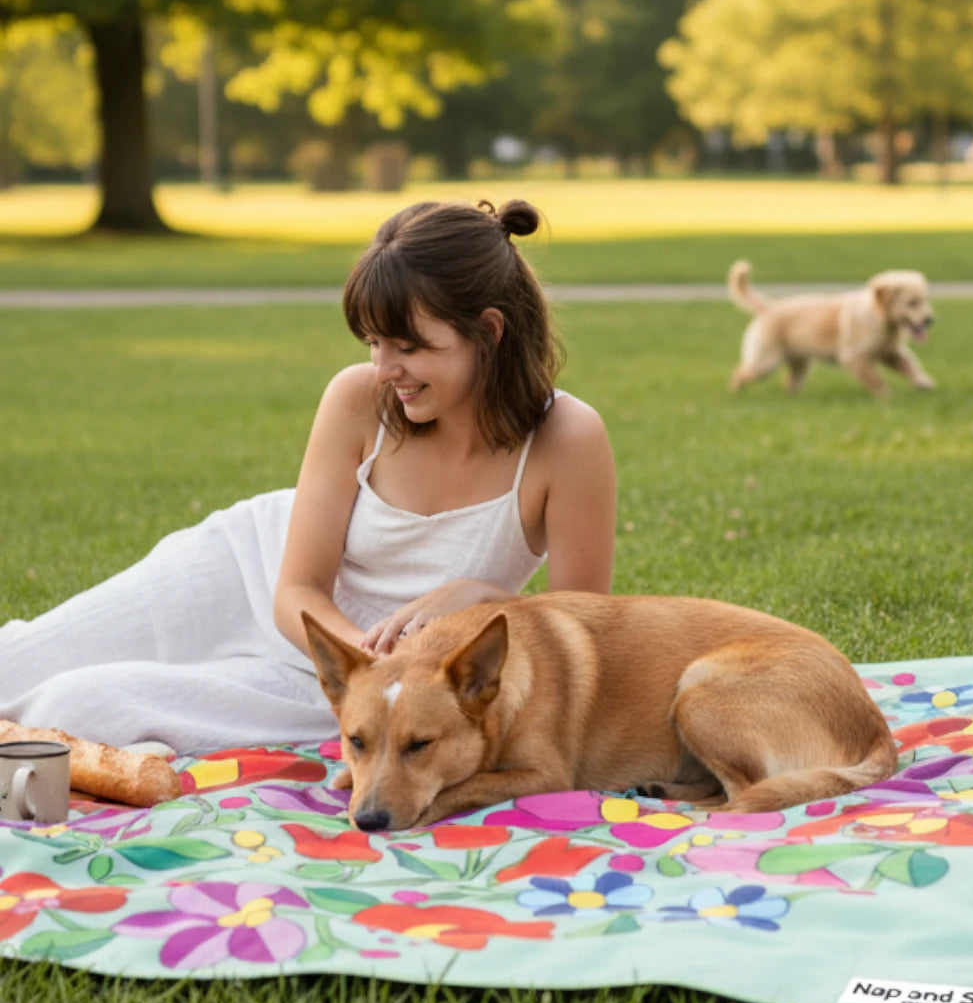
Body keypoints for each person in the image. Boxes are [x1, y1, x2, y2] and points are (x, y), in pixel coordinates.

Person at [0, 198, 617, 755]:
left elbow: (586, 634)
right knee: (14, 668)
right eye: (373, 343)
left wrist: (486, 600)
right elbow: (296, 590)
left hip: (338, 681)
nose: (383, 370)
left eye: (407, 346)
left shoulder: (567, 439)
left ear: (487, 331)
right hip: (253, 580)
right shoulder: (357, 399)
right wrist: (366, 664)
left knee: (74, 709)